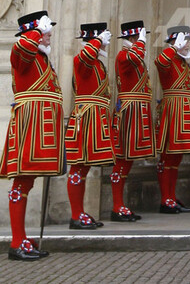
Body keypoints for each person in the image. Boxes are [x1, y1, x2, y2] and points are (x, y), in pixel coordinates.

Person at [0, 11, 64, 261]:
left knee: (27, 181)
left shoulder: (42, 57)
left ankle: (22, 237)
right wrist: (36, 30)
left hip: (42, 125)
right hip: (30, 123)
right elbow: (22, 46)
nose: (49, 35)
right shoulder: (22, 52)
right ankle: (16, 242)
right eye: (46, 31)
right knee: (21, 179)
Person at [64, 22, 116, 230]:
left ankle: (80, 212)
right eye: (104, 40)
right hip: (85, 118)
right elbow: (84, 57)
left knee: (84, 168)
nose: (106, 44)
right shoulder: (83, 60)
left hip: (97, 117)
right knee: (78, 166)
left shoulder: (98, 64)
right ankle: (75, 214)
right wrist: (97, 40)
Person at [154, 25, 190, 213]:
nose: (188, 45)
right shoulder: (169, 58)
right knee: (167, 157)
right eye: (185, 42)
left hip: (185, 113)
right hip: (173, 113)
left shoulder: (183, 62)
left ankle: (171, 196)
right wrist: (174, 47)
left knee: (176, 159)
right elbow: (160, 62)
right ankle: (165, 199)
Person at [111, 20, 155, 222]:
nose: (142, 41)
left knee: (127, 161)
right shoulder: (124, 55)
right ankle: (117, 205)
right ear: (132, 38)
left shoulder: (132, 54)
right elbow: (136, 56)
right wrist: (141, 43)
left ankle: (120, 204)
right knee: (121, 159)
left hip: (137, 110)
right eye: (139, 37)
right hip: (128, 112)